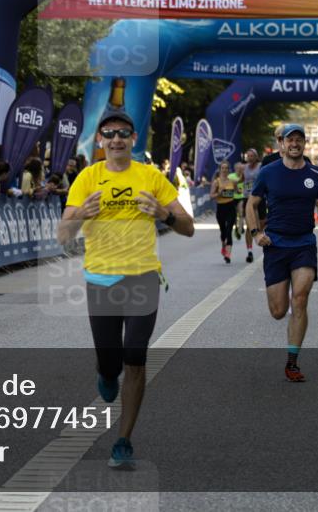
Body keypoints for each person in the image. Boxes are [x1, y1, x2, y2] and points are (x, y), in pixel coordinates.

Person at [58, 110, 194, 469]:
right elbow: (62, 235)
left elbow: (189, 227)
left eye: (123, 133)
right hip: (101, 280)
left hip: (142, 278)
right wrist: (80, 215)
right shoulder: (88, 178)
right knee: (110, 361)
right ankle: (106, 373)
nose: (116, 139)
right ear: (100, 140)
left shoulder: (151, 176)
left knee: (135, 356)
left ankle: (123, 439)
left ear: (134, 139)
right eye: (109, 133)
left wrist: (164, 214)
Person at [246, 124, 318, 383]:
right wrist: (256, 233)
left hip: (304, 244)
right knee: (278, 311)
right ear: (282, 144)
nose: (295, 143)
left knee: (300, 298)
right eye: (290, 140)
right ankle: (283, 293)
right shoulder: (268, 172)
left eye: (299, 139)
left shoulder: (317, 174)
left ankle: (292, 362)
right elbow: (251, 205)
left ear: (305, 144)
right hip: (275, 245)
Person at [209, 160, 238, 264]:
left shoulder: (232, 181)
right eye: (223, 168)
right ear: (220, 169)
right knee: (223, 231)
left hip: (231, 207)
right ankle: (223, 245)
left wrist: (238, 191)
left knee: (229, 230)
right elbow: (211, 196)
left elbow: (237, 191)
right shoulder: (216, 182)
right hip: (221, 208)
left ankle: (228, 254)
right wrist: (219, 194)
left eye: (226, 168)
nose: (225, 170)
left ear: (229, 170)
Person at [240, 148, 262, 263]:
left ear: (256, 157)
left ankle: (263, 241)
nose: (249, 158)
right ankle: (249, 251)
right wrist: (235, 184)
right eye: (248, 156)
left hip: (260, 198)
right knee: (249, 226)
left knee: (261, 225)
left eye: (252, 156)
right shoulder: (244, 168)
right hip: (247, 198)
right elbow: (241, 180)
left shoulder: (261, 167)